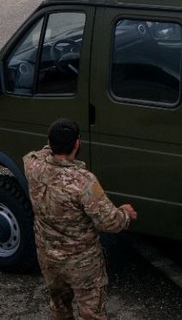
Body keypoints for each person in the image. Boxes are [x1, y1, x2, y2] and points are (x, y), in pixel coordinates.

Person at [24, 118, 137, 320]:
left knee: (59, 306)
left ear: (50, 143)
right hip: (82, 263)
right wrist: (126, 214)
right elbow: (109, 222)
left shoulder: (32, 166)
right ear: (77, 143)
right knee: (91, 313)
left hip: (48, 256)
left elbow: (41, 152)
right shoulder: (83, 182)